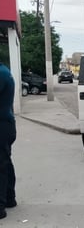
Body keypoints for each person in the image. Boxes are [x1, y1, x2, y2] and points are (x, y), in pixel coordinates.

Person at [0, 62, 17, 219]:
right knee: (5, 162)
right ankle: (9, 198)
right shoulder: (4, 71)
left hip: (2, 125)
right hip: (7, 124)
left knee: (1, 166)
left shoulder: (1, 73)